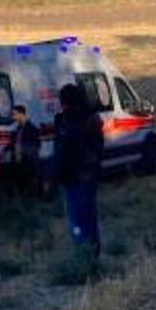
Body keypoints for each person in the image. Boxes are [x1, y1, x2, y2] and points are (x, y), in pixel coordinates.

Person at [54, 84, 105, 255]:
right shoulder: (92, 118)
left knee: (77, 221)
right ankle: (95, 253)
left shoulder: (68, 122)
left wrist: (50, 176)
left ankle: (83, 260)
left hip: (73, 178)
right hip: (90, 177)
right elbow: (98, 150)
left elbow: (62, 152)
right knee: (90, 218)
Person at [9, 105, 42, 196]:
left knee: (29, 181)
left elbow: (35, 146)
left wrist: (24, 151)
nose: (13, 117)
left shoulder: (31, 128)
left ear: (21, 114)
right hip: (19, 160)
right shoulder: (18, 128)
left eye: (14, 114)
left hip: (28, 160)